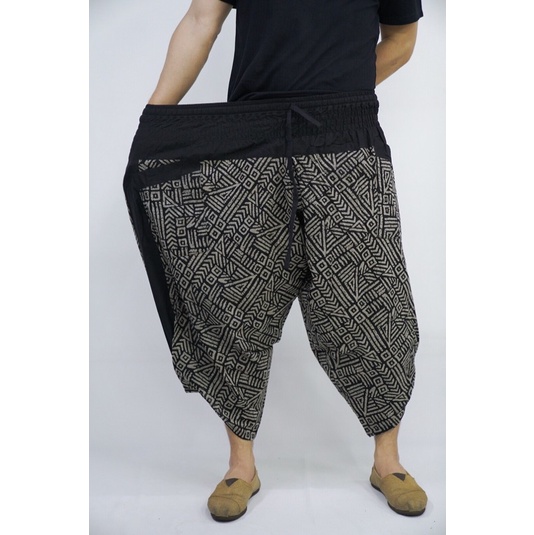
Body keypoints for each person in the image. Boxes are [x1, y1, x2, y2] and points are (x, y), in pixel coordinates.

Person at [123, 0, 428, 522]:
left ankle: (388, 462)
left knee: (373, 300)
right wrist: (154, 119)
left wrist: (337, 94)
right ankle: (241, 467)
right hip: (249, 142)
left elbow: (401, 40)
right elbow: (200, 21)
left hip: (347, 137)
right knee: (235, 298)